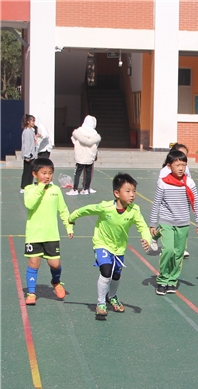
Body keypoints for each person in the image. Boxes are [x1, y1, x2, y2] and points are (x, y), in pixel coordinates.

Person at [68, 173, 152, 319]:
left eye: (134, 191)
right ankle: (100, 303)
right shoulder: (105, 207)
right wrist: (72, 217)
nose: (132, 194)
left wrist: (146, 239)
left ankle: (111, 296)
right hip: (102, 244)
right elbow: (87, 209)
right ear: (116, 193)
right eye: (128, 191)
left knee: (116, 275)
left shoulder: (134, 211)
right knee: (106, 271)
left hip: (119, 248)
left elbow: (143, 227)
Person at [149, 150, 198, 295]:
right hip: (166, 222)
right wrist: (153, 224)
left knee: (178, 253)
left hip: (183, 223)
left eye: (184, 165)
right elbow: (156, 204)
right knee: (168, 250)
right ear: (169, 166)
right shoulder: (163, 183)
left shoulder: (189, 182)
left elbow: (196, 203)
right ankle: (162, 280)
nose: (181, 168)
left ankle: (172, 280)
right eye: (177, 164)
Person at [22, 158, 74, 305]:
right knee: (34, 263)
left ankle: (56, 282)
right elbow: (30, 204)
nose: (47, 176)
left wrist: (68, 226)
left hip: (51, 234)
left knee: (55, 265)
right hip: (34, 234)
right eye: (43, 173)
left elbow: (63, 210)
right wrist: (40, 188)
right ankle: (31, 293)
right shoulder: (29, 189)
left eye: (50, 173)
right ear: (34, 174)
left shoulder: (56, 190)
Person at [160, 143, 192, 257]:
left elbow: (189, 183)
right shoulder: (165, 171)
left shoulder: (186, 169)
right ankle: (160, 240)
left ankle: (181, 248)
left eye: (185, 155)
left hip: (182, 204)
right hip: (169, 205)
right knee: (167, 226)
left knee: (182, 227)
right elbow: (161, 186)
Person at [68, 115, 101, 196]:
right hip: (90, 156)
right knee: (88, 173)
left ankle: (75, 189)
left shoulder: (78, 132)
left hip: (80, 156)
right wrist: (96, 154)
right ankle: (86, 189)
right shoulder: (95, 134)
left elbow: (73, 139)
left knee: (77, 173)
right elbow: (96, 145)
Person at [20, 114, 37, 193]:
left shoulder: (31, 131)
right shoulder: (27, 131)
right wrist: (27, 155)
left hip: (32, 155)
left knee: (31, 171)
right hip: (28, 156)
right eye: (32, 121)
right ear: (28, 121)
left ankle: (29, 185)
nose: (33, 123)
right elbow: (26, 144)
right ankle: (24, 187)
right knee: (27, 171)